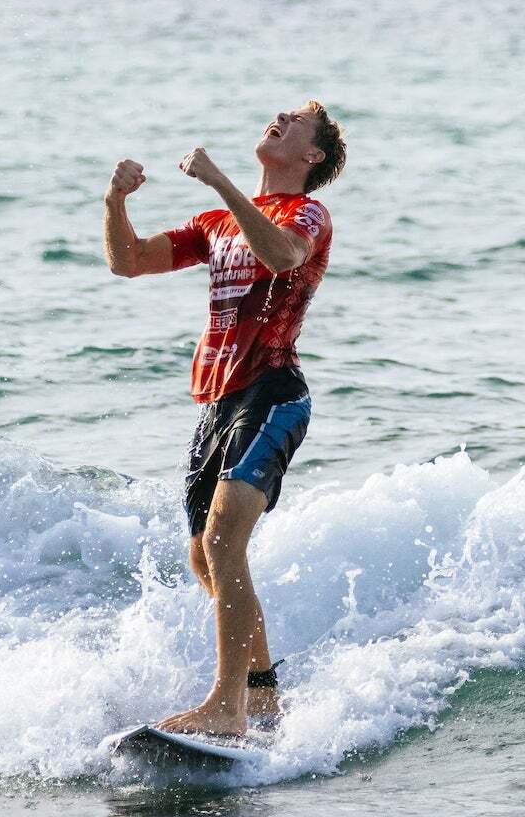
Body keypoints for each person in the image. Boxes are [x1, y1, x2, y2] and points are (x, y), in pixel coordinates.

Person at [101, 102, 346, 738]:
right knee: (202, 558)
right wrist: (114, 201)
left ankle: (227, 704)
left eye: (294, 121)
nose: (278, 118)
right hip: (217, 403)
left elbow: (284, 257)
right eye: (279, 113)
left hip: (274, 394)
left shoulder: (306, 214)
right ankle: (263, 694)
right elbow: (129, 262)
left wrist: (218, 180)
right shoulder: (216, 224)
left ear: (311, 156)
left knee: (221, 542)